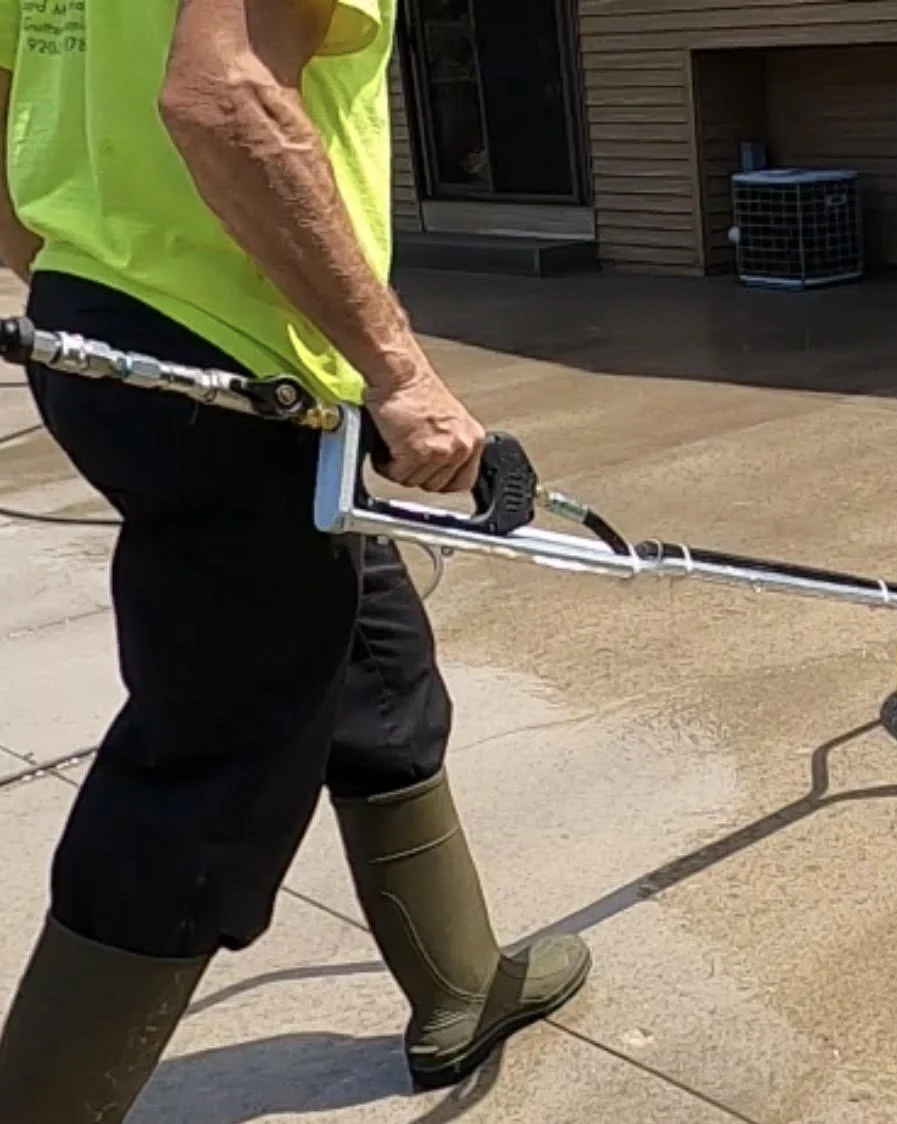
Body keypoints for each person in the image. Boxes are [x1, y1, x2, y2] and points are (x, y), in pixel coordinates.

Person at [0, 0, 591, 1118]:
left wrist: (91, 287)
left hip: (121, 324)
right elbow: (223, 98)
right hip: (221, 358)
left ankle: (461, 987)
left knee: (370, 648)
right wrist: (400, 372)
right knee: (216, 753)